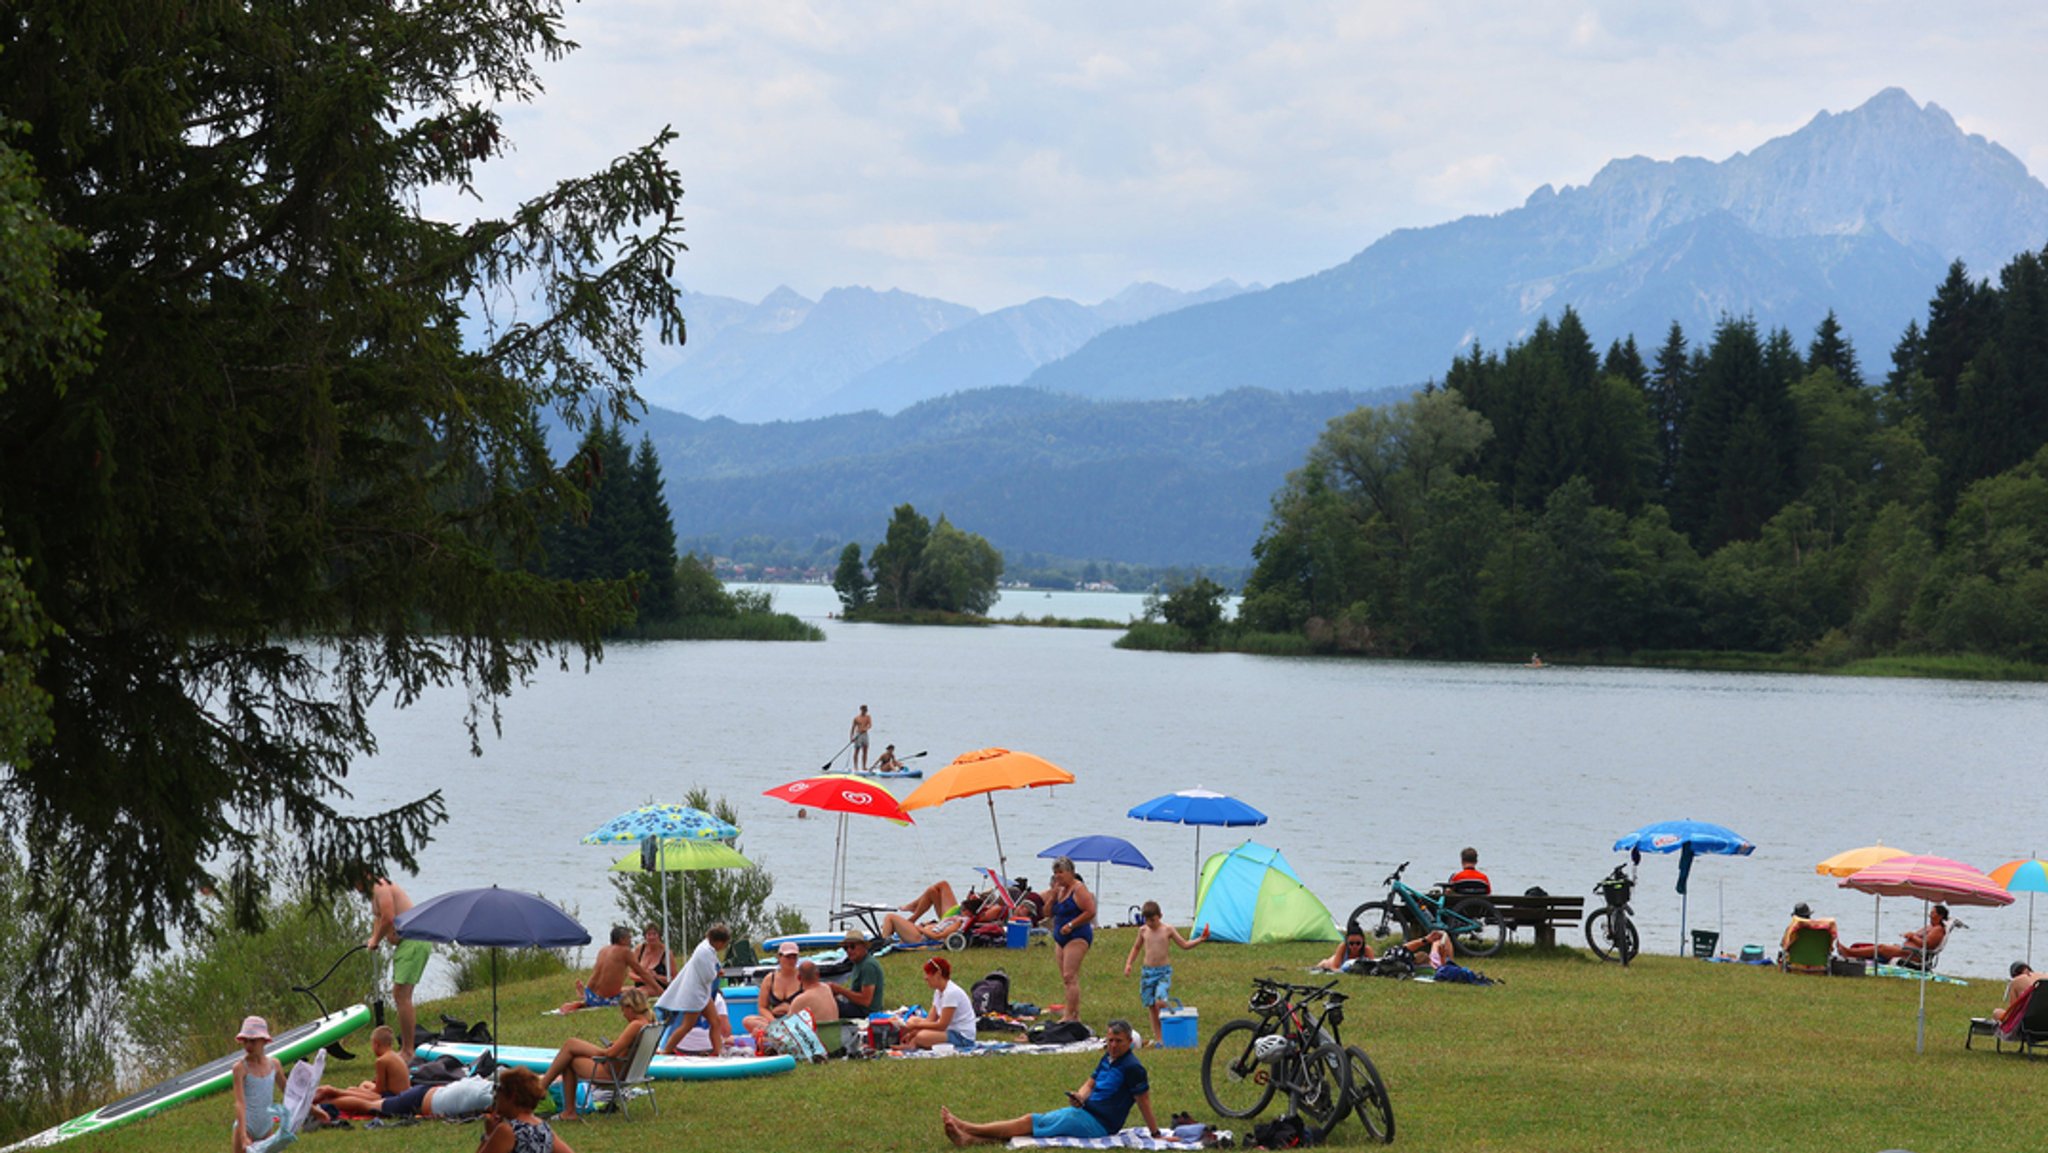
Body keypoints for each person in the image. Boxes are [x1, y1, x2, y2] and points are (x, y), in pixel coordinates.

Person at [940, 1018, 1162, 1145]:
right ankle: (969, 1140)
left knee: (1031, 1122)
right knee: (1035, 1128)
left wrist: (1155, 1134)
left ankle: (968, 1127)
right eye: (1110, 1040)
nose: (1113, 1045)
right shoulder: (1109, 1057)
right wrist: (1081, 1096)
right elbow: (1091, 1082)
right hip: (1086, 1112)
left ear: (1130, 1042)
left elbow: (1144, 1101)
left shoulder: (1133, 1067)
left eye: (1119, 1041)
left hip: (1099, 1124)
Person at [536, 988, 654, 1121]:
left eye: (623, 1010)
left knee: (570, 1049)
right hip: (629, 1072)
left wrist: (604, 1050)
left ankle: (553, 1097)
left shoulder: (636, 1025)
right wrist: (615, 1046)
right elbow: (626, 1049)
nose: (623, 1015)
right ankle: (553, 1096)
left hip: (612, 1074)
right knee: (570, 1049)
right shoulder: (650, 1025)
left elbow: (611, 1053)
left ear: (630, 1008)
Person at [1123, 900, 1208, 1046]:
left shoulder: (1167, 929)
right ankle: (1159, 1038)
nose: (1150, 923)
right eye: (1147, 920)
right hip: (1147, 973)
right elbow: (1136, 948)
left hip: (1163, 972)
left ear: (1160, 916)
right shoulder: (1143, 931)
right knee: (1151, 1006)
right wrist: (1129, 963)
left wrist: (1200, 939)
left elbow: (1184, 944)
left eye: (1153, 920)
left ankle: (1169, 1029)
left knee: (1160, 1002)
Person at [363, 872, 428, 1062]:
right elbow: (379, 917)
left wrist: (377, 938)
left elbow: (389, 917)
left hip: (414, 940)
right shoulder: (373, 893)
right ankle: (407, 1048)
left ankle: (408, 1051)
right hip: (406, 943)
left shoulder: (380, 887)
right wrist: (373, 939)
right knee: (400, 994)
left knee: (401, 994)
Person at [656, 922, 730, 1056]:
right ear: (719, 942)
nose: (723, 947)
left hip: (702, 994)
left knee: (715, 1021)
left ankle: (717, 1052)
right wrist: (717, 973)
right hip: (695, 996)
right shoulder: (704, 952)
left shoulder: (707, 948)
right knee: (687, 1025)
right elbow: (707, 975)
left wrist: (716, 971)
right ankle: (666, 1050)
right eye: (724, 944)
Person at [559, 925, 666, 1012]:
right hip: (604, 1000)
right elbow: (642, 973)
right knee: (644, 993)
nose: (630, 940)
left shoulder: (603, 950)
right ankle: (582, 1003)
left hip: (590, 994)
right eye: (629, 938)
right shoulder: (625, 952)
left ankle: (585, 998)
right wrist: (659, 990)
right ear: (622, 940)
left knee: (630, 989)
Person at [477, 1067, 577, 1153]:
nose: (496, 1096)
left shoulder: (508, 1131)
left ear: (512, 1096)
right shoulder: (543, 1127)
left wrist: (488, 1135)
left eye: (498, 1090)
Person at [312, 1025, 408, 1114]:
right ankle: (336, 1092)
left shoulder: (381, 1061)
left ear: (376, 1044)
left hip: (391, 1098)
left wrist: (359, 1092)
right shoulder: (396, 1056)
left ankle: (333, 1092)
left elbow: (379, 1091)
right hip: (402, 1095)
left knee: (351, 1092)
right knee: (362, 1085)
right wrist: (361, 1090)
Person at [1048, 855, 1096, 1023]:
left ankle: (1071, 1015)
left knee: (1070, 975)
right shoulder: (1059, 890)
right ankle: (1072, 1012)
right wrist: (1053, 896)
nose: (1057, 876)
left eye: (1060, 873)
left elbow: (1090, 911)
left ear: (1070, 872)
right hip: (1060, 936)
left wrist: (1072, 924)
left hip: (1077, 935)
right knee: (1065, 978)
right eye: (1055, 873)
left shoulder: (1079, 889)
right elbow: (1047, 913)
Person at [896, 955, 977, 1051]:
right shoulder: (938, 992)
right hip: (948, 1031)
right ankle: (911, 1042)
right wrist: (913, 1030)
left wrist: (916, 1028)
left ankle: (914, 1043)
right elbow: (930, 1020)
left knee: (921, 1036)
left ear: (938, 974)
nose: (925, 978)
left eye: (928, 974)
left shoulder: (951, 993)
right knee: (912, 1020)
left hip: (961, 1036)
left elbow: (942, 1025)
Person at [229, 1015, 283, 1152]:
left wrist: (311, 1109)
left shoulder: (274, 1065)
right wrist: (242, 1136)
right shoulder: (240, 1068)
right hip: (246, 1128)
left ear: (264, 1041)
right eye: (245, 1041)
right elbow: (240, 1103)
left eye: (253, 1041)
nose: (248, 1045)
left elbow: (289, 1091)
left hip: (267, 1127)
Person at [1837, 904, 1948, 963]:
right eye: (1930, 913)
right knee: (1880, 946)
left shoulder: (1938, 929)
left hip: (1913, 955)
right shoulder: (1930, 927)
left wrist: (1912, 937)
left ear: (1940, 916)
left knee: (1881, 948)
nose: (1929, 915)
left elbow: (1927, 944)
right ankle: (1852, 952)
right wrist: (1910, 936)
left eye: (1932, 913)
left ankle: (1849, 953)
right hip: (1906, 951)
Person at [742, 942, 807, 1035]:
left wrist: (791, 1010)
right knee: (748, 1020)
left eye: (794, 957)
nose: (792, 960)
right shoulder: (770, 979)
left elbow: (810, 1004)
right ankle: (776, 1032)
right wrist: (773, 1021)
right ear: (779, 957)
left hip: (797, 1020)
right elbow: (762, 1007)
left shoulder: (803, 978)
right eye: (788, 957)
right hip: (775, 1020)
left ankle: (776, 1033)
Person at [827, 930, 885, 1020]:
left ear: (863, 947)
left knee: (828, 1005)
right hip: (857, 1008)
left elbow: (866, 1001)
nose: (849, 950)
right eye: (846, 948)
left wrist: (840, 990)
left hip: (865, 1013)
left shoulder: (868, 965)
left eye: (852, 946)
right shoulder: (858, 963)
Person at [634, 923, 672, 991]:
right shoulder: (639, 949)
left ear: (659, 936)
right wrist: (643, 979)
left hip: (658, 987)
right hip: (640, 985)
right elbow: (631, 973)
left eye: (654, 934)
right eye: (649, 934)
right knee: (618, 990)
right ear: (645, 936)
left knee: (637, 993)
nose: (651, 937)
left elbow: (675, 979)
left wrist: (656, 977)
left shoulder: (666, 953)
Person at [849, 704, 873, 771]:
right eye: (864, 710)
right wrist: (851, 737)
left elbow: (870, 725)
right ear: (861, 710)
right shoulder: (856, 718)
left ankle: (864, 766)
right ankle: (856, 767)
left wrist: (866, 728)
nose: (865, 712)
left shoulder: (868, 717)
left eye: (866, 710)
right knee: (857, 750)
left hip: (865, 734)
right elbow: (852, 728)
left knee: (865, 751)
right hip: (858, 734)